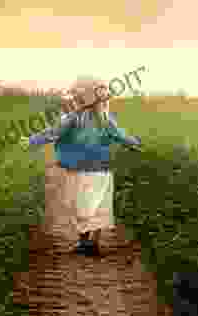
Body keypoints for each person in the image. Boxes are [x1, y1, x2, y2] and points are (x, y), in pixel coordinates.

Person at [22, 76, 142, 255]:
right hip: (102, 169)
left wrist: (31, 141)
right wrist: (136, 144)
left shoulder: (73, 117)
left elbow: (53, 133)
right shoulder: (105, 118)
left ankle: (84, 242)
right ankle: (93, 243)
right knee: (99, 207)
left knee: (82, 207)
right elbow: (120, 136)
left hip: (80, 170)